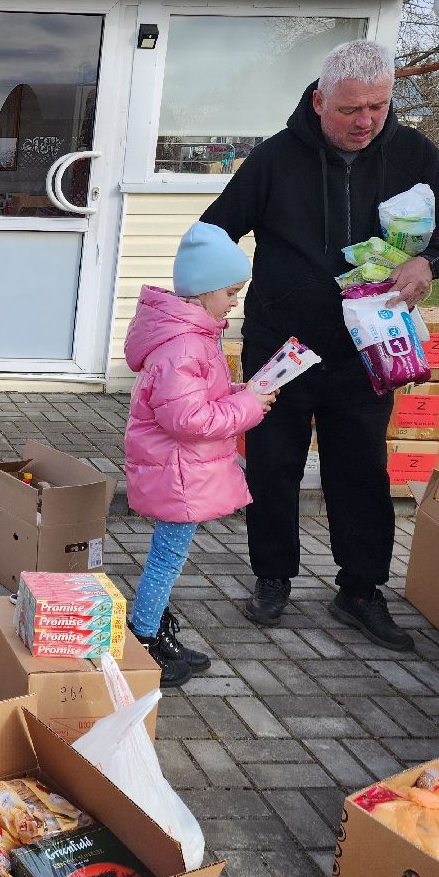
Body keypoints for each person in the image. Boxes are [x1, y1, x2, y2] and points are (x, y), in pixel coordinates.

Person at [200, 39, 439, 651]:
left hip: (369, 349)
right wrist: (212, 299)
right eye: (352, 109)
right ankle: (272, 578)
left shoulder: (413, 154)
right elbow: (216, 230)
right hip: (284, 343)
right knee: (273, 466)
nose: (366, 121)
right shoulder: (275, 159)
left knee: (360, 471)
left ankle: (361, 590)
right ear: (321, 101)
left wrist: (430, 262)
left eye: (378, 107)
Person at [123, 222, 275, 686]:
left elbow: (194, 398)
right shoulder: (187, 343)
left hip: (180, 468)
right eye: (231, 291)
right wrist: (247, 405)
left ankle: (154, 627)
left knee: (168, 555)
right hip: (178, 470)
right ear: (204, 290)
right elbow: (188, 420)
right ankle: (144, 635)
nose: (234, 301)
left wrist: (235, 391)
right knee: (166, 557)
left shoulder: (192, 336)